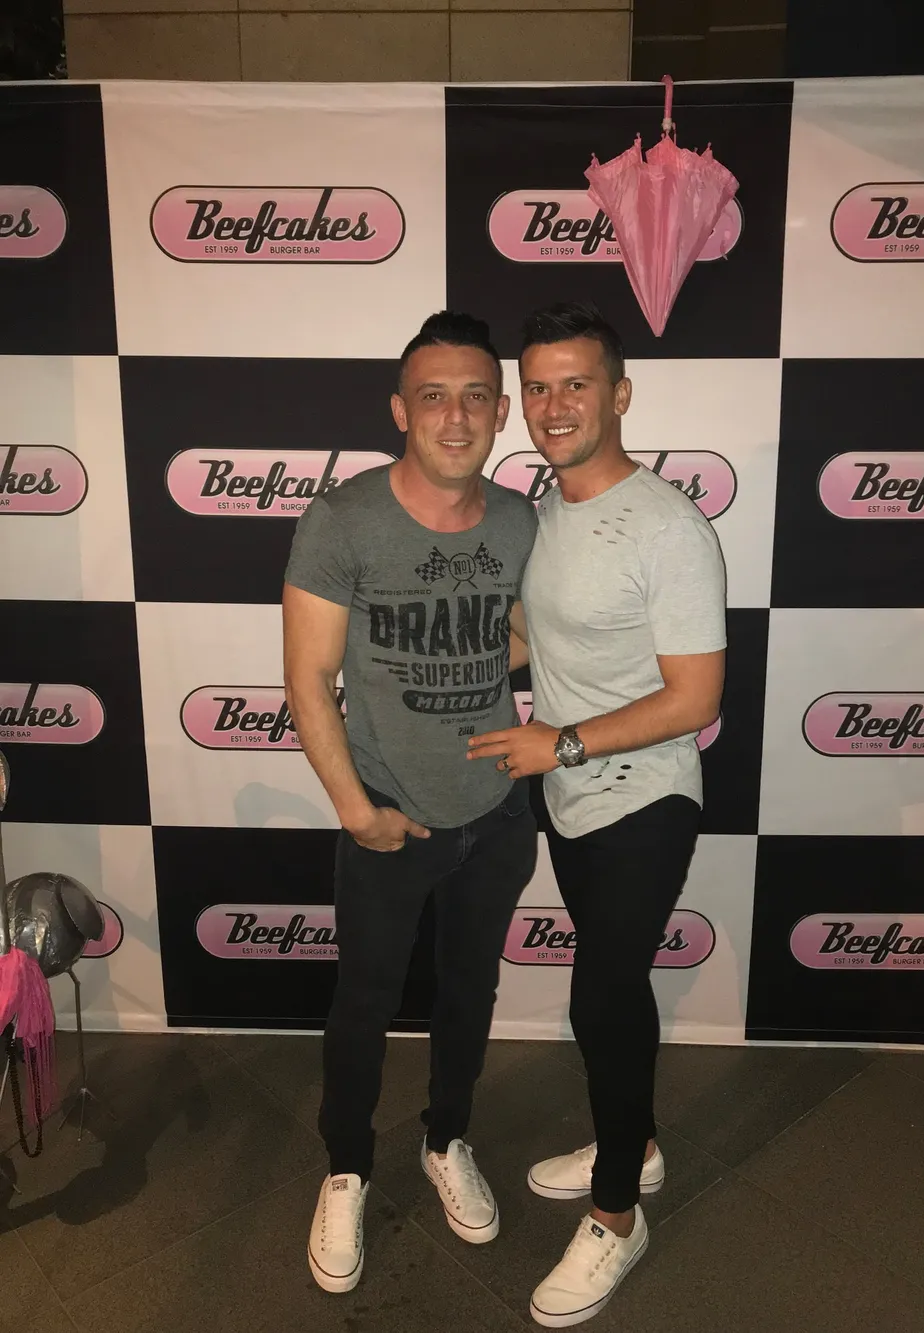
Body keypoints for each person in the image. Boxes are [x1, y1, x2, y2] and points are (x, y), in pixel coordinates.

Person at [468, 301, 727, 1327]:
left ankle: (619, 1214)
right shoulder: (546, 506)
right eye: (536, 386)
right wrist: (431, 673)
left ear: (620, 395)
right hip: (571, 794)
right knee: (605, 994)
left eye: (575, 383)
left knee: (604, 996)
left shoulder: (668, 526)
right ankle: (641, 1144)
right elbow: (540, 640)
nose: (553, 404)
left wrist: (560, 742)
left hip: (646, 794)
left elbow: (694, 697)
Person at [283, 311, 538, 1294]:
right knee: (365, 1000)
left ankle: (446, 1138)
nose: (455, 416)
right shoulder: (343, 519)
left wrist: (480, 662)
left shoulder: (520, 520)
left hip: (496, 813)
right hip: (388, 814)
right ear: (400, 409)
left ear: (502, 412)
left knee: (469, 992)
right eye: (433, 396)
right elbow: (308, 679)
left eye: (476, 396)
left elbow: (530, 634)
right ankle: (346, 1166)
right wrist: (357, 810)